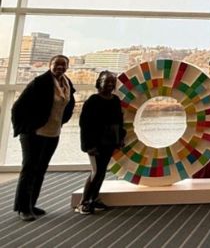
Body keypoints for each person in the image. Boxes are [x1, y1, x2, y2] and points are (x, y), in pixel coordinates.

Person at [11, 55, 76, 221]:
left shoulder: (67, 84)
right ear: (50, 65)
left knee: (40, 170)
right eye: (56, 64)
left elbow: (68, 105)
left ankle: (32, 204)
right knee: (29, 169)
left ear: (67, 67)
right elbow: (18, 107)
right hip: (34, 134)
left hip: (53, 133)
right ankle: (23, 208)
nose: (60, 68)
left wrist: (62, 122)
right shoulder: (39, 82)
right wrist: (24, 128)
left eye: (63, 65)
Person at [76, 70, 125, 214]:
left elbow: (119, 121)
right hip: (95, 144)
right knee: (96, 172)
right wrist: (88, 146)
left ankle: (94, 198)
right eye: (107, 81)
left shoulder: (115, 100)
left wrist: (120, 138)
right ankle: (83, 202)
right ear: (99, 83)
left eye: (112, 82)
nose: (110, 84)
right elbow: (84, 125)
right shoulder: (92, 101)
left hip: (109, 142)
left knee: (102, 172)